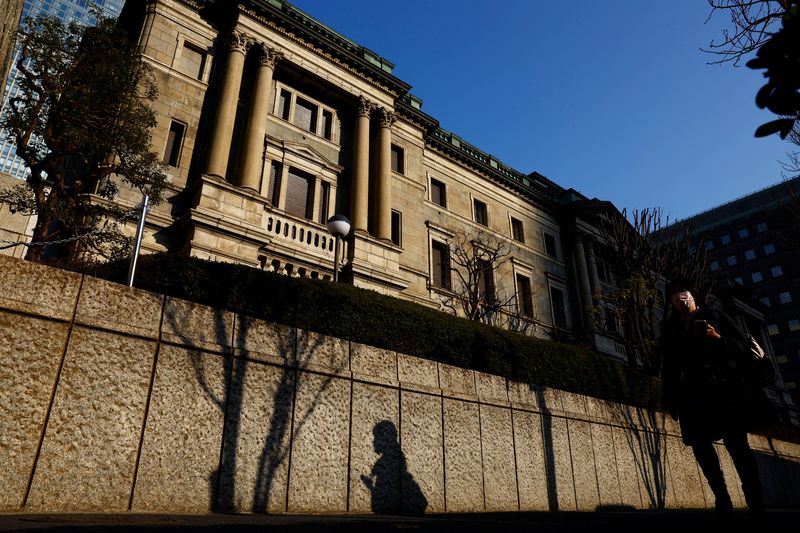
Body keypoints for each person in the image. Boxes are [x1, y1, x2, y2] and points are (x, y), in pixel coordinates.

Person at [661, 278, 766, 521]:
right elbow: (668, 365)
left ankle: (755, 501)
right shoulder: (669, 327)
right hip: (691, 395)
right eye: (673, 295)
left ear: (693, 294)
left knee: (739, 448)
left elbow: (743, 346)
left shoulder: (714, 314)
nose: (679, 298)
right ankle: (722, 498)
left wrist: (718, 337)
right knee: (701, 449)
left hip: (724, 392)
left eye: (682, 292)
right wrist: (670, 398)